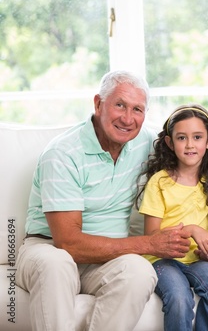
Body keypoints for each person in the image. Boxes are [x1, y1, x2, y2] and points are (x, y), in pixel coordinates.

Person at [15, 70, 192, 331]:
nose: (128, 118)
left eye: (137, 109)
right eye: (120, 105)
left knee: (139, 272)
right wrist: (150, 244)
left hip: (107, 259)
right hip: (49, 248)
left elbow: (194, 155)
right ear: (98, 103)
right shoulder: (63, 153)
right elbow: (68, 243)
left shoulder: (146, 143)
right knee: (57, 264)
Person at [137, 104, 208, 331]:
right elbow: (151, 236)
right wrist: (191, 229)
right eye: (182, 138)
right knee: (180, 298)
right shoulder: (159, 182)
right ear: (170, 143)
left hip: (199, 261)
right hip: (162, 261)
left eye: (197, 137)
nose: (190, 144)